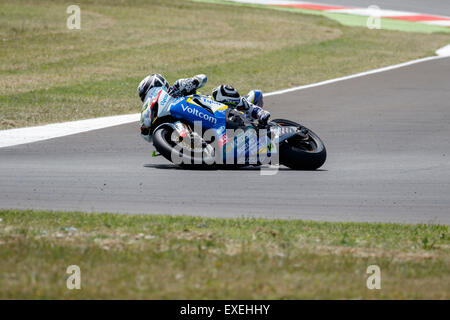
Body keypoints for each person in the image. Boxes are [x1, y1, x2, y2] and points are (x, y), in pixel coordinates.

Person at [137, 74, 270, 134]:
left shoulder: (177, 87)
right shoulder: (159, 113)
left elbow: (202, 77)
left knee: (221, 91)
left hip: (213, 108)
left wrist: (193, 82)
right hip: (204, 129)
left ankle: (257, 112)